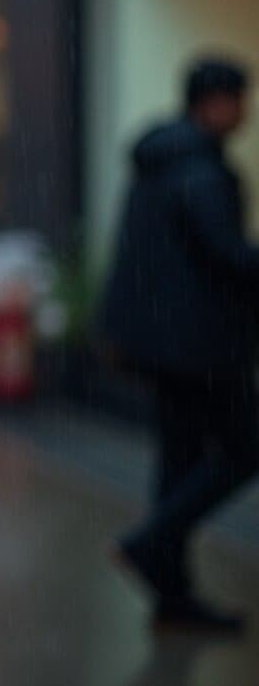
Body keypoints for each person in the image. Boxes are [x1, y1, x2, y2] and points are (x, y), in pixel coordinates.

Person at [106, 57, 259, 635]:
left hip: (160, 341)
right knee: (243, 448)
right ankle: (153, 544)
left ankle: (173, 593)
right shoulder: (200, 171)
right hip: (198, 344)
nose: (244, 112)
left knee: (179, 460)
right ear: (213, 102)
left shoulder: (163, 161)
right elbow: (228, 257)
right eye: (239, 99)